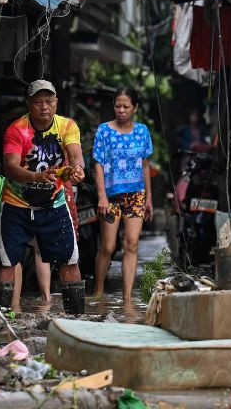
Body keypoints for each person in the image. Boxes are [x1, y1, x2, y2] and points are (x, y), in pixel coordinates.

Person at [0, 80, 87, 315]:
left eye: (49, 101)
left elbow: (76, 155)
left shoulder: (67, 126)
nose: (44, 107)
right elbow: (11, 167)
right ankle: (2, 316)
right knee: (7, 261)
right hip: (17, 204)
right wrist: (35, 176)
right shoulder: (17, 130)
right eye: (38, 102)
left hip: (54, 203)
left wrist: (77, 169)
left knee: (70, 259)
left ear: (56, 103)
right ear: (29, 104)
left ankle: (75, 317)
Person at [92, 87, 154, 303]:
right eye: (118, 106)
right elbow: (98, 165)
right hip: (110, 196)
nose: (121, 110)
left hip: (136, 194)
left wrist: (148, 198)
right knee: (108, 247)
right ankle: (98, 290)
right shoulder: (104, 131)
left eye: (126, 106)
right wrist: (101, 196)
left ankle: (127, 298)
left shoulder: (143, 131)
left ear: (134, 108)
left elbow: (145, 165)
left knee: (132, 244)